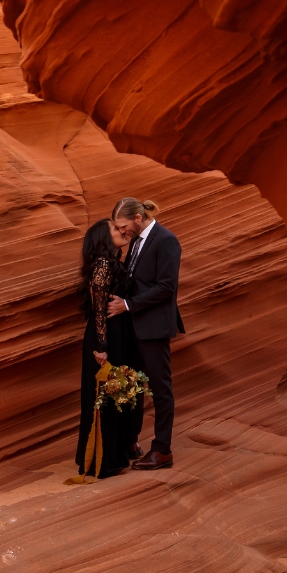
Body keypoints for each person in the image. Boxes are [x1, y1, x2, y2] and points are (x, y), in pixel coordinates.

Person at [108, 198, 184, 470]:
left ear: (138, 218)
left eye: (123, 226)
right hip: (134, 324)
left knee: (160, 389)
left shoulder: (166, 240)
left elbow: (166, 287)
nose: (122, 231)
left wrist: (127, 304)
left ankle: (163, 451)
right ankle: (131, 440)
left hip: (153, 326)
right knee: (133, 385)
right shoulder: (137, 241)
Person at [71, 218, 145, 480]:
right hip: (105, 339)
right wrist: (102, 346)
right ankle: (103, 462)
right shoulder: (102, 265)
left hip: (118, 334)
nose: (122, 232)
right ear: (104, 238)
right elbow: (99, 308)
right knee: (105, 397)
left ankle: (114, 453)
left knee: (116, 396)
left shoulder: (112, 263)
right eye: (115, 229)